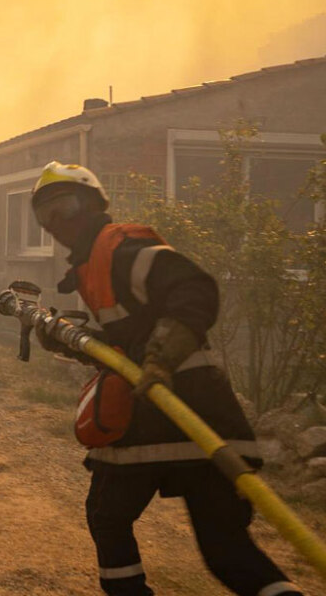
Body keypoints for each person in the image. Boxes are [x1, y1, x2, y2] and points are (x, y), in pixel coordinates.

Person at [30, 161, 301, 596]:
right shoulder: (94, 262)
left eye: (64, 206)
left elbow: (195, 289)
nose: (56, 223)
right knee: (226, 548)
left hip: (156, 417)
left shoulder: (121, 248)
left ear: (95, 203)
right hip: (208, 419)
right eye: (45, 217)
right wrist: (67, 340)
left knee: (109, 519)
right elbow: (126, 343)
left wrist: (161, 357)